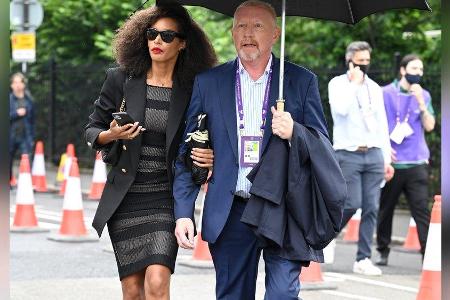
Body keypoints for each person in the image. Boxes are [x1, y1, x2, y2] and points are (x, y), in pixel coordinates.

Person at [173, 1, 330, 299]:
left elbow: (322, 147)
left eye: (257, 26)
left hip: (283, 208)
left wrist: (295, 131)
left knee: (283, 293)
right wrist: (183, 213)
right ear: (232, 33)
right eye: (241, 26)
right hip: (231, 210)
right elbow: (188, 150)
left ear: (275, 34)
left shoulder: (300, 81)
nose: (248, 33)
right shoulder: (209, 83)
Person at [84, 3, 216, 299]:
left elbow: (207, 135)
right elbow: (91, 131)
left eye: (168, 36)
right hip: (127, 197)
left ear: (182, 44)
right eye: (152, 33)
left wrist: (212, 156)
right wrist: (111, 134)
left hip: (165, 198)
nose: (158, 41)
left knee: (156, 282)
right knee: (132, 292)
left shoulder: (194, 88)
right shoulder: (120, 79)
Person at [328, 41, 394, 276]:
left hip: (374, 152)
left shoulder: (374, 87)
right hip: (348, 152)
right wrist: (354, 86)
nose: (364, 65)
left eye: (367, 61)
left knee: (371, 207)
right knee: (350, 203)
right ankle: (325, 236)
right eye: (360, 61)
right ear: (349, 61)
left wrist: (386, 157)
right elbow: (340, 111)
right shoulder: (337, 84)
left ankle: (363, 258)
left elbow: (382, 124)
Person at [376, 54, 435, 266]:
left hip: (417, 162)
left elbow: (430, 126)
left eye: (421, 70)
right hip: (392, 163)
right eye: (414, 69)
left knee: (421, 210)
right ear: (403, 70)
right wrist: (383, 148)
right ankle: (383, 250)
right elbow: (374, 122)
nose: (418, 73)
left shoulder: (425, 96)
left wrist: (420, 102)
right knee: (386, 209)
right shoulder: (384, 93)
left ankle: (428, 255)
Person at [9, 72, 35, 184]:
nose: (17, 85)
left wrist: (32, 137)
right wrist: (16, 113)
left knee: (27, 160)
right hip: (10, 135)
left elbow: (33, 120)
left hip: (25, 135)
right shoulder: (8, 99)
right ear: (11, 85)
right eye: (15, 82)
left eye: (20, 82)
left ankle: (26, 184)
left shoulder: (29, 100)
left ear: (24, 85)